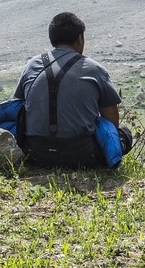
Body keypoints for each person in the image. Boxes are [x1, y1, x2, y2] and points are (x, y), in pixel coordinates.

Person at [12, 11, 132, 168]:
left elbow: (18, 106)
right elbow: (112, 122)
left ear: (52, 39)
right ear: (80, 38)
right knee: (124, 133)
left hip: (35, 154)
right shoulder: (94, 69)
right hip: (82, 156)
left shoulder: (31, 65)